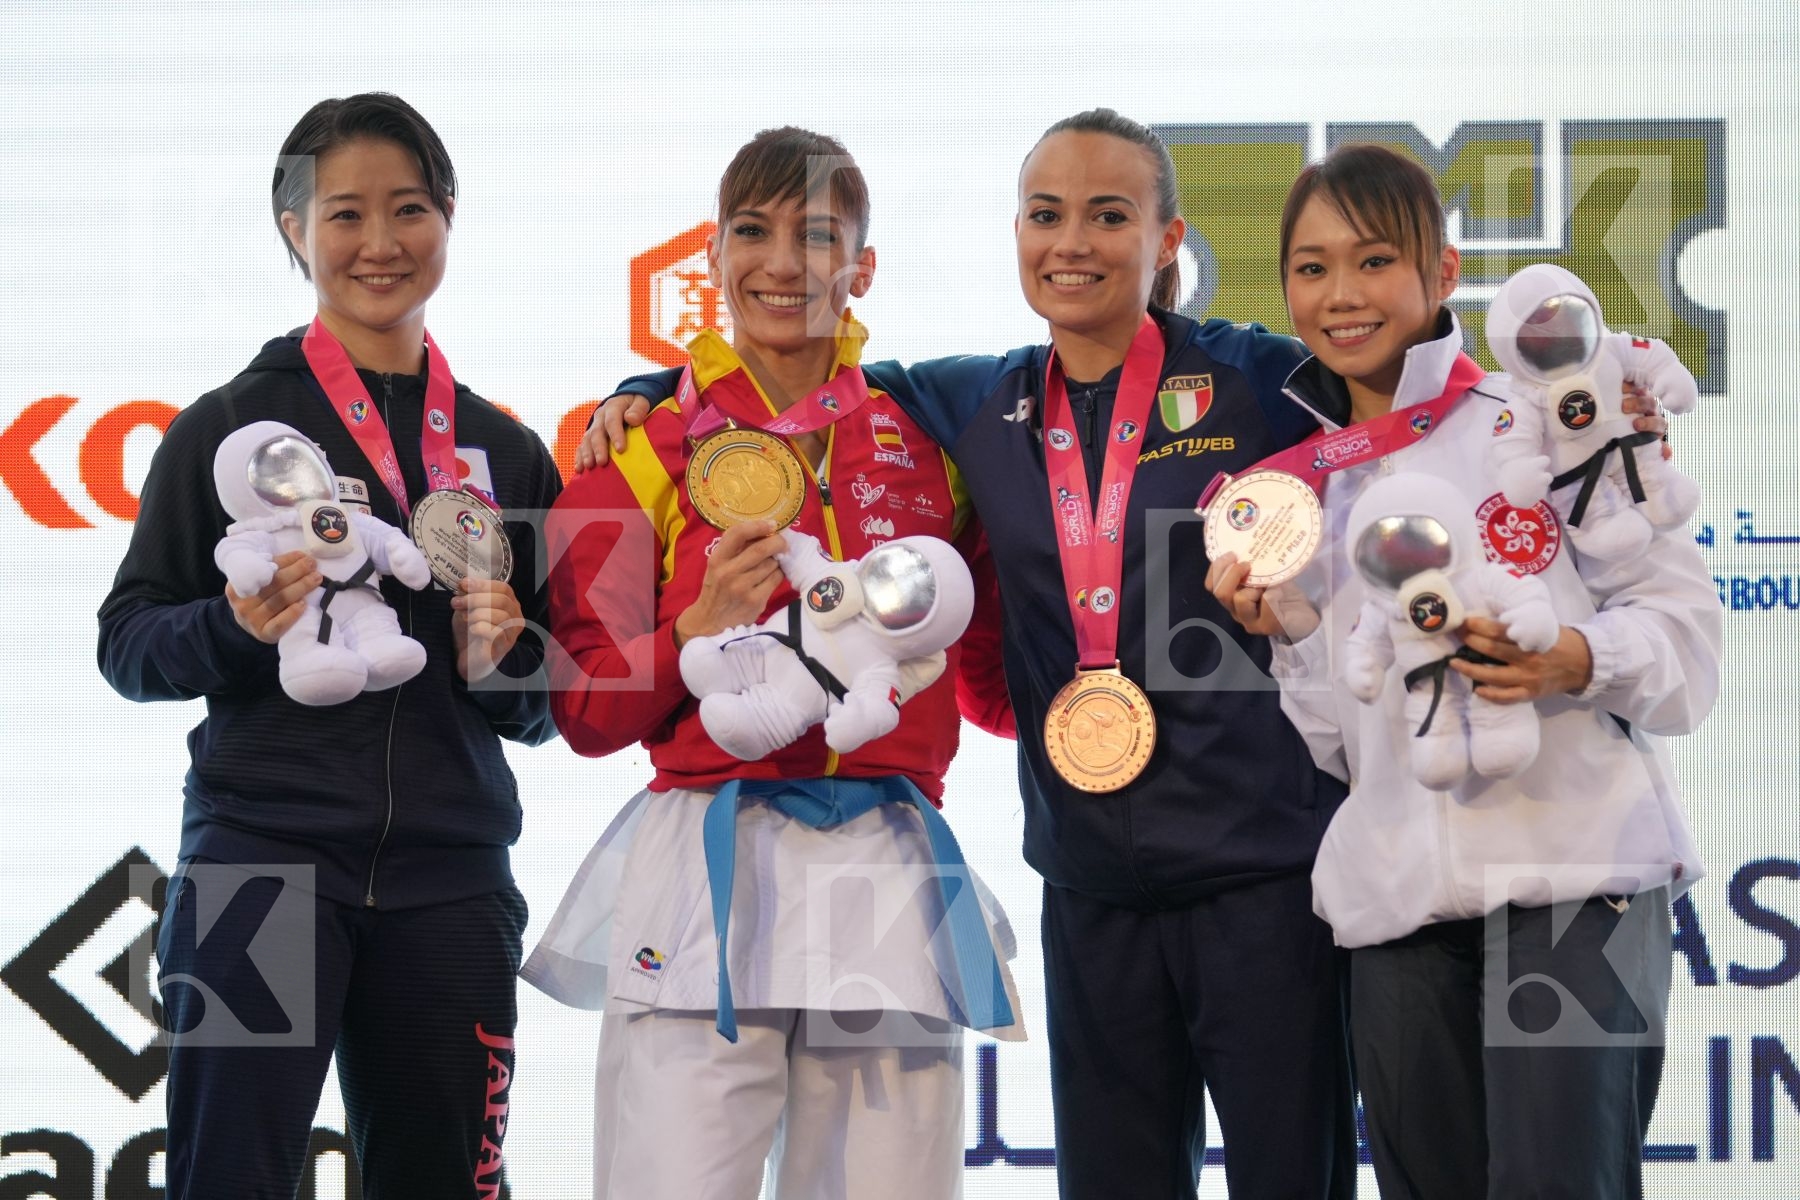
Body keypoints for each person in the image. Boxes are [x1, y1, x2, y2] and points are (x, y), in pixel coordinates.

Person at [587, 109, 1365, 1200]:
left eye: (1109, 215)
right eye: (1046, 214)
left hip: (1264, 877)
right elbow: (803, 377)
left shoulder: (1260, 377)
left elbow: (1402, 393)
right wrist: (644, 391)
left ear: (1169, 237)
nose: (1074, 242)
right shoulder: (969, 402)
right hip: (1091, 881)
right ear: (1015, 232)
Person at [1207, 142, 1719, 1198]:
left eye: (1374, 259)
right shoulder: (1295, 494)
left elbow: (1687, 655)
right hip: (1398, 907)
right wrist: (1294, 628)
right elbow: (1339, 746)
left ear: (1442, 272)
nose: (1341, 295)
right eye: (1311, 268)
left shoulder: (1548, 418)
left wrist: (1573, 659)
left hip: (1576, 884)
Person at [523, 126, 1022, 1200]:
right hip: (708, 855)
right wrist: (692, 629)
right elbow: (584, 711)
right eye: (753, 233)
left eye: (818, 235)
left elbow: (989, 692)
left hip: (887, 862)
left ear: (864, 266)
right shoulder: (638, 448)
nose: (783, 264)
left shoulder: (930, 435)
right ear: (712, 254)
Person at [96, 92, 562, 1199]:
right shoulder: (226, 427)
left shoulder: (508, 449)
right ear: (292, 229)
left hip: (451, 879)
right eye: (345, 214)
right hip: (260, 865)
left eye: (409, 208)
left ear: (449, 216)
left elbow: (551, 704)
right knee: (229, 1179)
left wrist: (509, 660)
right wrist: (233, 628)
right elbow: (128, 642)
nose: (380, 242)